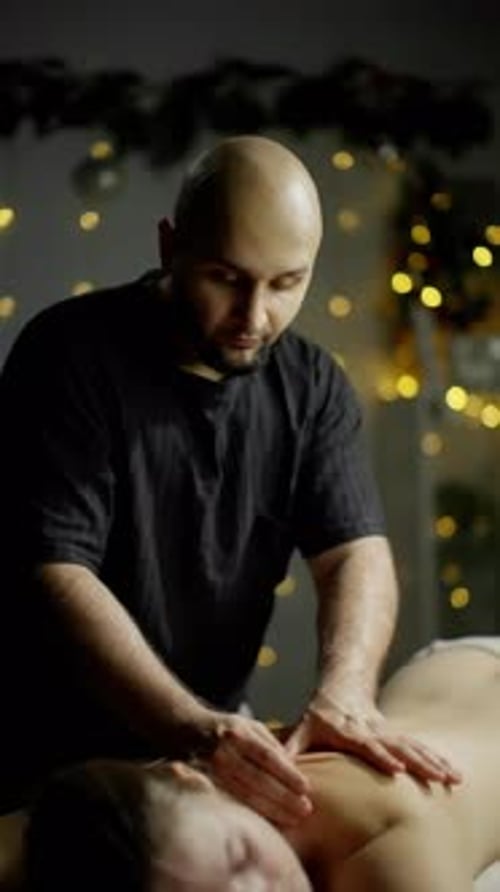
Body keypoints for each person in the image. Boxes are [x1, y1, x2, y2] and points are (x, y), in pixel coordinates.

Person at [0, 135, 458, 817]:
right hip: (39, 747)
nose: (254, 318)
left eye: (285, 284)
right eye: (226, 277)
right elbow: (56, 572)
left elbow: (354, 554)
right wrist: (194, 729)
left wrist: (347, 694)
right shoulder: (68, 354)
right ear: (169, 247)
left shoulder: (313, 387)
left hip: (205, 736)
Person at [2, 636, 500, 892]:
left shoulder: (388, 858)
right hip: (447, 677)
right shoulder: (174, 811)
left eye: (240, 856)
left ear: (189, 777)